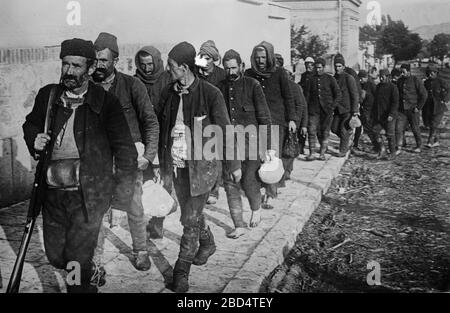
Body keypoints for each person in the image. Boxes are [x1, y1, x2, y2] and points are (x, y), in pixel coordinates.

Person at [22, 38, 137, 292]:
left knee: (76, 257)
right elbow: (30, 124)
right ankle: (87, 272)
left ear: (90, 67)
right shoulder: (48, 96)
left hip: (88, 195)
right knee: (56, 256)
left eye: (76, 65)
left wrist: (120, 195)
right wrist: (35, 139)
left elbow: (126, 152)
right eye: (65, 64)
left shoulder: (106, 103)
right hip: (52, 194)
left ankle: (80, 287)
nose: (69, 71)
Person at [155, 42, 241, 292]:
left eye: (171, 67)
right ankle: (207, 243)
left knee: (190, 218)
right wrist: (160, 163)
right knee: (189, 213)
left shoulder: (211, 93)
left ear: (183, 68)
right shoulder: (168, 93)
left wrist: (233, 164)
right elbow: (161, 129)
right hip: (177, 165)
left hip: (203, 167)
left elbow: (225, 131)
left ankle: (181, 271)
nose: (168, 70)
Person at [92, 32, 159, 271]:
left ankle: (140, 250)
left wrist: (148, 156)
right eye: (96, 60)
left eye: (104, 61)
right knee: (95, 209)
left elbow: (150, 121)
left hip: (128, 159)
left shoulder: (132, 85)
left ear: (115, 61)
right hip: (97, 160)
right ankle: (95, 260)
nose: (98, 65)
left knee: (134, 206)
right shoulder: (88, 88)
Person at [217, 49, 272, 237]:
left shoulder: (253, 85)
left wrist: (268, 148)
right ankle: (238, 224)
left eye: (233, 68)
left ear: (241, 66)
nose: (231, 72)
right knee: (231, 182)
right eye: (227, 69)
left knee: (248, 180)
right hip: (228, 143)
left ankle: (256, 208)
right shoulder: (219, 87)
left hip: (251, 143)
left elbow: (264, 117)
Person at [245, 41, 298, 208]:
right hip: (255, 121)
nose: (260, 61)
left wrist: (292, 119)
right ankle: (258, 188)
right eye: (257, 57)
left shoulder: (280, 73)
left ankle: (270, 192)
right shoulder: (249, 74)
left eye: (263, 57)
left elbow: (288, 97)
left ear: (269, 57)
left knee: (272, 157)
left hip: (275, 121)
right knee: (256, 156)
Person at [134, 45, 175, 239]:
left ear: (157, 62)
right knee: (149, 181)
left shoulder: (167, 80)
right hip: (146, 136)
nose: (147, 68)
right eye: (143, 64)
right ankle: (153, 217)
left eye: (150, 64)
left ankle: (159, 221)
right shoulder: (135, 81)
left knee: (165, 179)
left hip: (166, 135)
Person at [197, 40, 227, 205]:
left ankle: (215, 190)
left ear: (214, 59)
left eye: (209, 58)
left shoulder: (221, 75)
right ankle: (203, 187)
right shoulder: (196, 73)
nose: (206, 61)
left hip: (216, 118)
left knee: (215, 155)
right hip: (199, 119)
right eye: (203, 57)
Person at [304, 58, 342, 161]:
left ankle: (322, 153)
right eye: (316, 68)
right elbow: (306, 96)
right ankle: (311, 153)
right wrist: (306, 109)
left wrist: (332, 107)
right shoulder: (311, 80)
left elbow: (338, 94)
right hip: (313, 111)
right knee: (311, 131)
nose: (318, 70)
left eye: (320, 68)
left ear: (324, 68)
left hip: (327, 111)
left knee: (324, 132)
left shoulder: (330, 79)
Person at [332, 54, 360, 157]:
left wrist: (355, 111)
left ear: (343, 67)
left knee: (344, 130)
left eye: (339, 66)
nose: (337, 68)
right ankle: (347, 139)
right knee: (334, 128)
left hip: (348, 109)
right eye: (336, 66)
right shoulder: (333, 78)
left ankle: (342, 151)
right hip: (337, 110)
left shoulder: (349, 78)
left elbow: (354, 95)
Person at [396, 64, 427, 154]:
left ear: (409, 71)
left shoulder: (415, 80)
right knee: (399, 128)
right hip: (402, 110)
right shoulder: (399, 81)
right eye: (401, 72)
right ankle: (399, 147)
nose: (402, 74)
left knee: (415, 128)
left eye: (403, 72)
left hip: (413, 110)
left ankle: (419, 146)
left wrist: (418, 107)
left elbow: (424, 94)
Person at [372, 69, 399, 159]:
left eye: (383, 77)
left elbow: (395, 103)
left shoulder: (393, 88)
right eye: (380, 77)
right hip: (379, 115)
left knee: (390, 134)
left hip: (389, 116)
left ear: (388, 77)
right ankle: (382, 149)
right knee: (375, 131)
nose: (381, 78)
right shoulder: (378, 86)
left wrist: (391, 114)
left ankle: (392, 153)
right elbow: (375, 101)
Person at [423, 65, 449, 148]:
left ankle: (429, 141)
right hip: (429, 106)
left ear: (436, 73)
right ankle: (436, 140)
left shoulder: (441, 81)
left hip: (439, 106)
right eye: (429, 73)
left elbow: (449, 90)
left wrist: (445, 99)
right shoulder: (426, 82)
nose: (430, 75)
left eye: (432, 73)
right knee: (431, 124)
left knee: (434, 124)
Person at [353, 69, 377, 152]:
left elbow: (377, 97)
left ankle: (376, 145)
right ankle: (355, 144)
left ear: (366, 77)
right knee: (358, 127)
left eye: (362, 78)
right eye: (359, 78)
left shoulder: (371, 85)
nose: (360, 80)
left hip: (369, 110)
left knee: (369, 128)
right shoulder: (360, 85)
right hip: (362, 109)